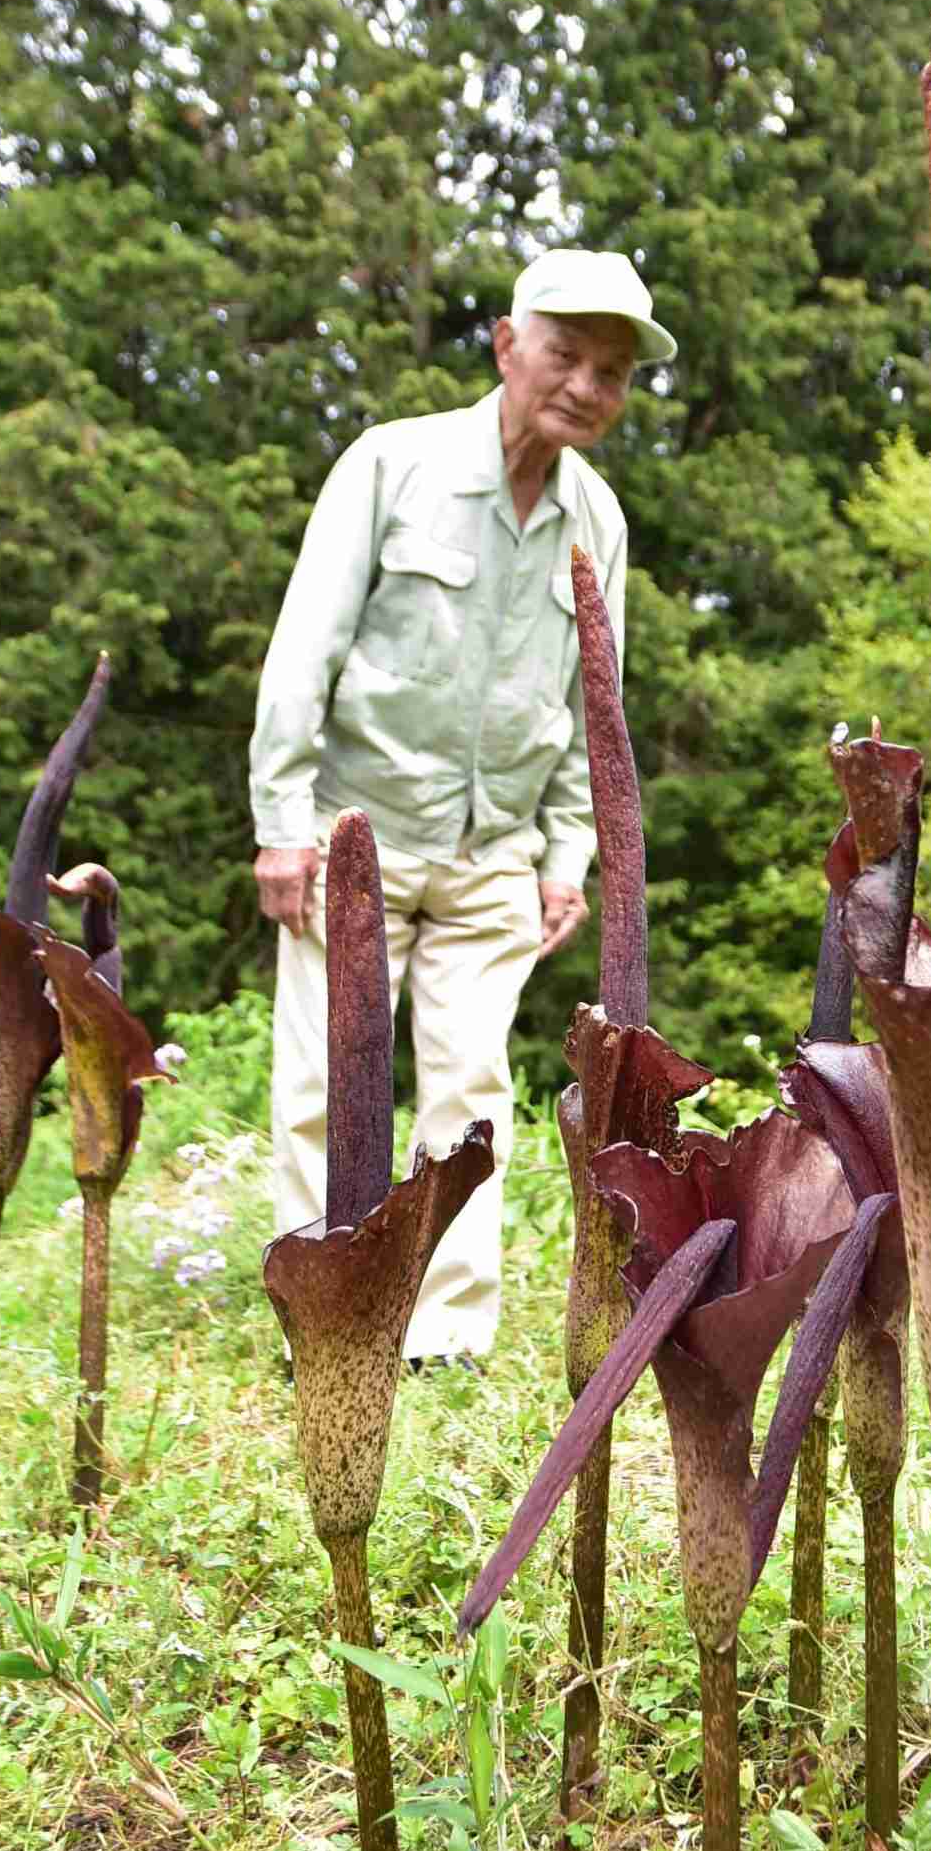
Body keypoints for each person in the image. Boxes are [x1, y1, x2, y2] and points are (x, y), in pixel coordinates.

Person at [250, 248, 676, 1362]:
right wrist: (282, 822)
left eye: (612, 371)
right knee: (325, 1080)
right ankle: (325, 1318)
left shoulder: (598, 521)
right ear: (505, 345)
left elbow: (596, 702)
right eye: (565, 355)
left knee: (470, 1094)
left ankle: (442, 1335)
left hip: (497, 857)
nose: (585, 385)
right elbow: (304, 647)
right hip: (355, 837)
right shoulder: (393, 465)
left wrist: (567, 856)